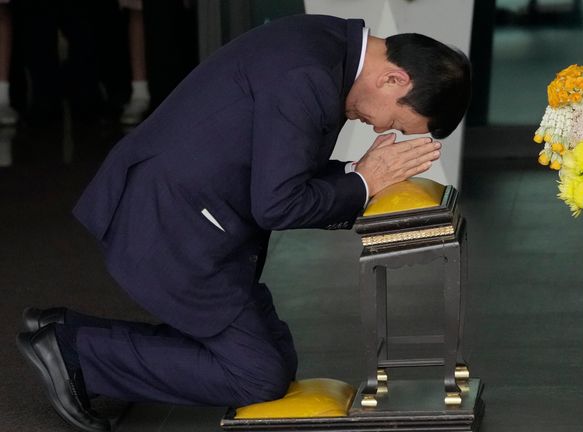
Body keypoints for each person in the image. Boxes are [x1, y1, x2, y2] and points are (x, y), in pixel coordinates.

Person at [16, 14, 471, 432]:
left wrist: (358, 176)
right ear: (394, 78)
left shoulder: (327, 43)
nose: (379, 128)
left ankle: (67, 327)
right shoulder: (308, 76)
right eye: (394, 119)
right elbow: (277, 205)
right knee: (258, 375)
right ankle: (74, 351)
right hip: (173, 225)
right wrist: (363, 183)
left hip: (184, 208)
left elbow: (280, 166)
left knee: (275, 356)